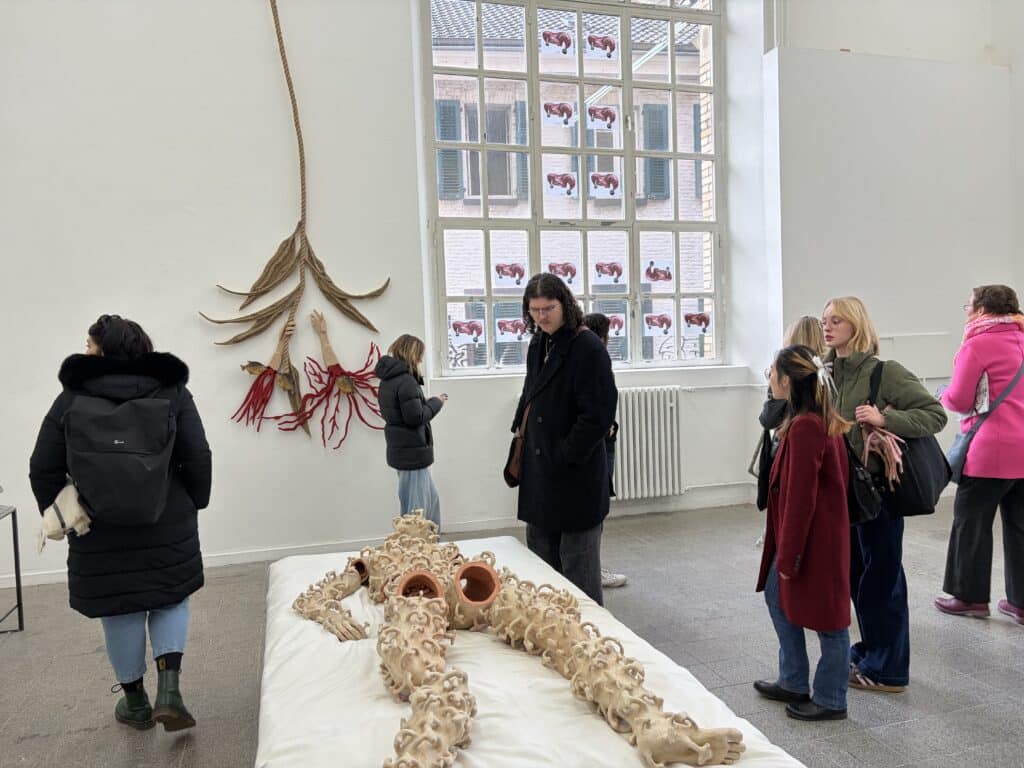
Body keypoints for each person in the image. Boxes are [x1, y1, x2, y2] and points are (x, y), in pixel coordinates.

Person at [29, 314, 212, 731]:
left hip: (99, 526)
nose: (86, 351)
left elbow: (43, 465)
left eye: (91, 345)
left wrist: (66, 514)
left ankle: (135, 703)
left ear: (106, 349)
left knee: (120, 610)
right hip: (167, 517)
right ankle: (170, 689)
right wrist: (194, 501)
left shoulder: (71, 399)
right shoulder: (172, 391)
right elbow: (198, 454)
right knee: (169, 597)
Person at [823, 297, 947, 693]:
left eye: (836, 320)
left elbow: (935, 414)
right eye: (825, 321)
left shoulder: (884, 372)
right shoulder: (828, 372)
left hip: (879, 493)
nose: (827, 327)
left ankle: (889, 670)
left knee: (883, 579)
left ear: (855, 325)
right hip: (846, 493)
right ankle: (871, 650)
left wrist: (884, 419)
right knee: (860, 577)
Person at [754, 345, 852, 721]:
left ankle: (831, 698)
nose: (768, 378)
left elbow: (801, 499)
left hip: (815, 540)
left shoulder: (808, 427)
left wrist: (790, 555)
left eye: (773, 373)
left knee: (830, 620)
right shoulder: (807, 420)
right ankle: (794, 678)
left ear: (787, 381)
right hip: (808, 537)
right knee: (779, 600)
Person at [511, 274, 618, 605]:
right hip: (541, 476)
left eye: (549, 308)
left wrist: (564, 455)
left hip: (575, 477)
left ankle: (590, 645)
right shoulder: (538, 342)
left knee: (580, 574)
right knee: (543, 569)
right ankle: (551, 637)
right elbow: (531, 391)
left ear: (565, 305)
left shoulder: (588, 348)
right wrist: (518, 429)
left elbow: (598, 415)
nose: (542, 317)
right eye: (535, 310)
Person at [934, 285, 1024, 625]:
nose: (967, 312)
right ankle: (1020, 602)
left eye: (969, 306)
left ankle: (968, 597)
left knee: (971, 523)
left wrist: (943, 393)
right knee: (1020, 527)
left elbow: (958, 399)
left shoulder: (977, 344)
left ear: (983, 310)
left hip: (991, 450)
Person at [375, 332, 447, 530]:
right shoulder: (406, 381)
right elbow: (415, 418)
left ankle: (430, 548)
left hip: (403, 450)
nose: (422, 359)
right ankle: (416, 552)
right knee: (417, 512)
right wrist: (436, 402)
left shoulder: (388, 381)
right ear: (413, 355)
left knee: (429, 503)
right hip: (412, 453)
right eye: (420, 355)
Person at [756, 317, 828, 512]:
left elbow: (768, 419)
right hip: (819, 457)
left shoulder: (788, 372)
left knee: (794, 505)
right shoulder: (826, 373)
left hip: (790, 451)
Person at [581, 312, 627, 589]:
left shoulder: (589, 356)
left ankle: (593, 567)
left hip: (602, 438)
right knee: (595, 509)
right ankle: (593, 570)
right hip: (597, 444)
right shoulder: (594, 356)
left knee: (597, 507)